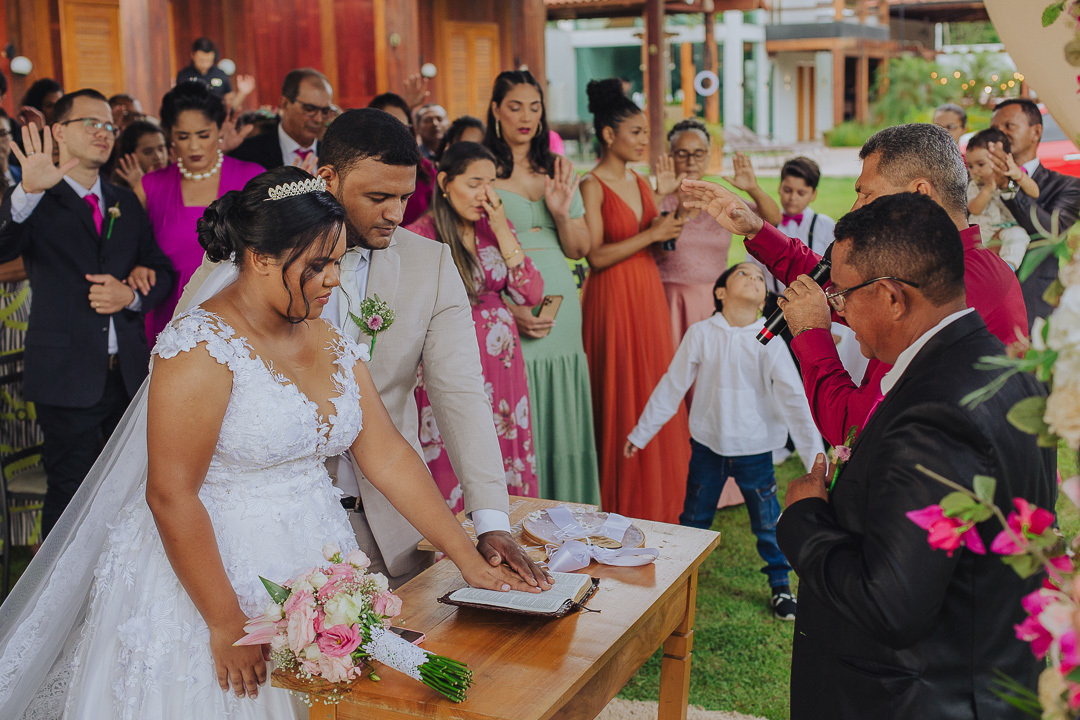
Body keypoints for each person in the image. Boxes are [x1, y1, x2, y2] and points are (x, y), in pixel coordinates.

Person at [0, 165, 539, 719]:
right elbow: (170, 495)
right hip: (213, 575)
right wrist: (224, 622)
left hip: (316, 563)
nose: (333, 280)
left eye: (338, 262)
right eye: (317, 265)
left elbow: (388, 456)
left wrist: (466, 557)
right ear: (259, 258)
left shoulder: (329, 339)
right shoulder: (200, 347)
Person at [181, 108, 551, 591]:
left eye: (404, 197)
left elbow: (461, 395)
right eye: (378, 197)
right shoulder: (254, 255)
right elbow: (184, 373)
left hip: (392, 529)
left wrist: (490, 522)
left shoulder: (431, 264)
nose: (396, 214)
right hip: (256, 537)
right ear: (327, 179)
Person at [775, 192, 1055, 718]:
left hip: (916, 699)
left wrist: (803, 518)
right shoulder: (1001, 368)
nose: (838, 311)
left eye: (842, 296)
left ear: (892, 298)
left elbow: (889, 605)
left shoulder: (934, 414)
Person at [681, 123, 1028, 447]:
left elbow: (852, 426)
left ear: (919, 194)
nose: (854, 210)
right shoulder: (949, 266)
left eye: (866, 194)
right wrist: (757, 230)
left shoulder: (956, 288)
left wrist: (811, 331)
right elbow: (842, 286)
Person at [0, 89, 175, 539]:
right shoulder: (36, 197)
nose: (103, 133)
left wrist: (129, 295)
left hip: (128, 374)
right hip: (65, 372)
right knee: (69, 491)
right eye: (91, 123)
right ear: (59, 131)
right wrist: (27, 191)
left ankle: (112, 578)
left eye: (109, 126)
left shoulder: (123, 200)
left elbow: (161, 269)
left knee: (135, 487)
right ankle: (58, 584)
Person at [626, 262, 823, 619]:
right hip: (707, 449)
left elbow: (795, 401)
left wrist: (815, 461)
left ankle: (781, 585)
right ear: (720, 292)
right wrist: (642, 432)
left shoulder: (770, 342)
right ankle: (676, 581)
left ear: (764, 301)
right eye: (742, 274)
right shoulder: (702, 333)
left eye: (759, 278)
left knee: (768, 523)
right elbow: (673, 384)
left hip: (755, 452)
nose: (753, 278)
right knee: (694, 519)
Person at [405, 142, 542, 510]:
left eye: (491, 183)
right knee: (456, 446)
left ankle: (507, 530)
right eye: (475, 183)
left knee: (503, 447)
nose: (486, 194)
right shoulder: (419, 236)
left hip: (503, 366)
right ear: (445, 182)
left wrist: (501, 228)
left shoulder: (495, 228)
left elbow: (530, 293)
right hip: (448, 361)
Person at [485, 70, 600, 506]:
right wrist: (507, 310)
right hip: (505, 300)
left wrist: (561, 212)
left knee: (563, 398)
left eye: (534, 108)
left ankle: (570, 506)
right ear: (496, 110)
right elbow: (467, 253)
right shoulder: (482, 170)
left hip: (561, 302)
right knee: (519, 397)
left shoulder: (558, 168)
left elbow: (580, 249)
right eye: (515, 107)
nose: (526, 117)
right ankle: (521, 508)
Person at [579, 78, 690, 524]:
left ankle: (661, 496)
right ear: (609, 134)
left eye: (646, 132)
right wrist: (653, 233)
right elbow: (595, 255)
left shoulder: (641, 181)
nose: (645, 140)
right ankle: (619, 496)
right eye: (637, 132)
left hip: (646, 292)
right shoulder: (591, 185)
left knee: (652, 384)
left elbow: (656, 236)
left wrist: (673, 214)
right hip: (611, 295)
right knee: (619, 387)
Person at [126, 82, 264, 343]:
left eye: (203, 135)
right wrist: (136, 266)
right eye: (183, 136)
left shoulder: (252, 177)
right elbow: (129, 251)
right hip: (168, 317)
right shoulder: (149, 187)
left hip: (239, 318)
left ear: (220, 130)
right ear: (170, 135)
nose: (193, 146)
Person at [656, 119, 778, 347]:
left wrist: (752, 188)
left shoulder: (718, 196)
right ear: (670, 156)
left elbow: (773, 220)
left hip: (715, 301)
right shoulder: (659, 199)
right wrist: (679, 211)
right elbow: (656, 249)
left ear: (707, 156)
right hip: (670, 301)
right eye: (682, 153)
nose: (691, 161)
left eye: (698, 153)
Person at [988, 98, 1080, 326]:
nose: (999, 134)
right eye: (994, 129)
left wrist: (1009, 188)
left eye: (1008, 126)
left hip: (1032, 305)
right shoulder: (977, 183)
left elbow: (1052, 232)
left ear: (1036, 131)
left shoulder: (1067, 186)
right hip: (982, 303)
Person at [966, 128, 1041, 271]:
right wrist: (988, 189)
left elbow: (1035, 192)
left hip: (1008, 228)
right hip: (983, 230)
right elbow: (974, 209)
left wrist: (1018, 175)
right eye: (970, 166)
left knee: (1019, 236)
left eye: (980, 164)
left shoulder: (1013, 175)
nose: (974, 171)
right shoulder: (975, 185)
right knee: (971, 250)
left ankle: (1008, 267)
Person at [229, 68, 332, 171]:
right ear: (284, 103)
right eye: (309, 109)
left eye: (325, 111)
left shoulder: (333, 153)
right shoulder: (248, 153)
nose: (319, 119)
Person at [111, 119, 168, 188]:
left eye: (161, 149)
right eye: (148, 152)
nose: (158, 157)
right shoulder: (118, 190)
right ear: (129, 156)